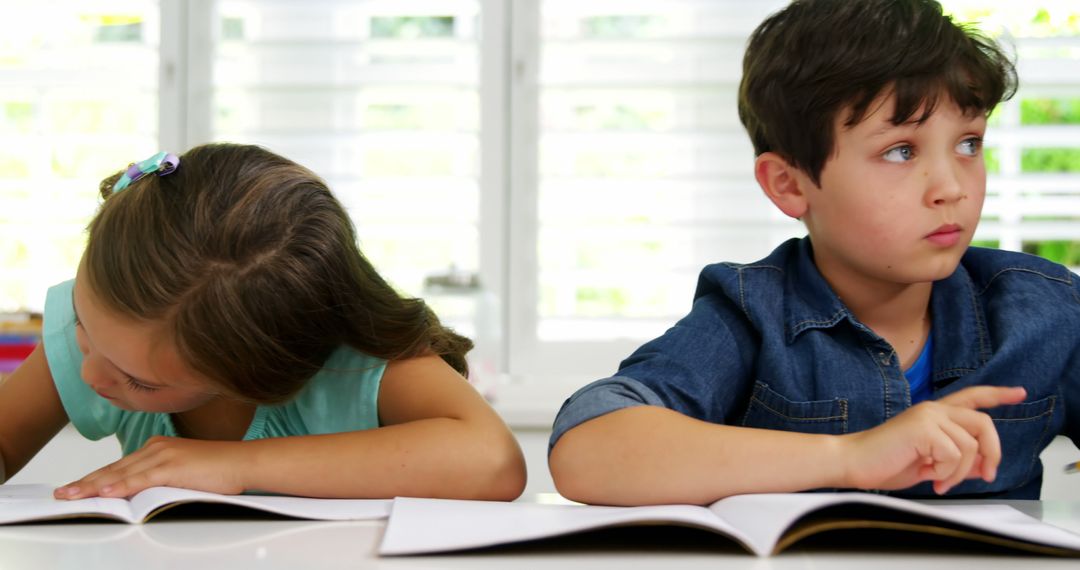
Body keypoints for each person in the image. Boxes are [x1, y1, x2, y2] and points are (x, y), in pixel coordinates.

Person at [549, 0, 1079, 505]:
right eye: (900, 150)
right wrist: (849, 456)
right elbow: (586, 447)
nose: (951, 187)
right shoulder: (751, 313)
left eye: (968, 143)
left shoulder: (1045, 308)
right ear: (789, 184)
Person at [0, 144, 527, 501]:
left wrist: (234, 465)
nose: (90, 374)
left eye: (141, 381)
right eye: (84, 331)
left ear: (262, 367)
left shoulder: (356, 361)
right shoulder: (113, 334)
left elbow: (494, 460)